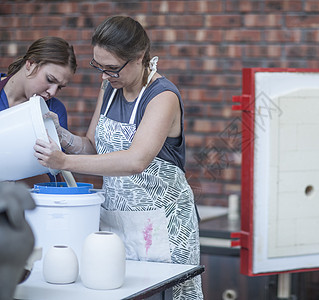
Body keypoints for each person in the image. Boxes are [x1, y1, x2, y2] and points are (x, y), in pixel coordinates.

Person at [34, 16, 203, 299]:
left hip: (163, 229)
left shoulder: (162, 96)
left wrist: (63, 161)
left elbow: (134, 161)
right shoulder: (110, 89)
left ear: (139, 58)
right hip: (117, 227)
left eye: (112, 69)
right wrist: (62, 135)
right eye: (98, 67)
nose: (105, 76)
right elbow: (93, 148)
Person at [0, 36, 77, 185]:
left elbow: (50, 179)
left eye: (60, 87)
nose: (53, 92)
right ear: (30, 63)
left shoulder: (53, 111)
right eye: (50, 79)